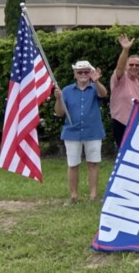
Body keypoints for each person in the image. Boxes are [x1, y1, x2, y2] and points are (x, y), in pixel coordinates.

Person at [53, 60, 107, 204]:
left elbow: (104, 94)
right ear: (75, 73)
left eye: (86, 71)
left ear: (90, 73)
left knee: (93, 163)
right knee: (73, 164)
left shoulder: (95, 87)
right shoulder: (66, 90)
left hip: (93, 131)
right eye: (80, 72)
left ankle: (94, 195)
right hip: (72, 132)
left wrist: (96, 82)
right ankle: (74, 196)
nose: (83, 74)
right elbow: (59, 113)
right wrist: (58, 99)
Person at [109, 34, 139, 151]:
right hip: (122, 123)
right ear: (126, 66)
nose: (134, 67)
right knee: (124, 154)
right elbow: (120, 67)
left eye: (137, 65)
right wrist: (125, 50)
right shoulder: (120, 78)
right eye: (131, 64)